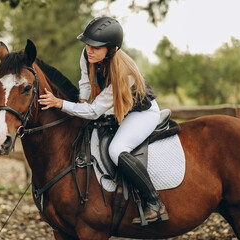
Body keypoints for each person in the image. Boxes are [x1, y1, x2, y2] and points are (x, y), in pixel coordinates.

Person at [38, 16, 168, 224]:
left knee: (117, 150)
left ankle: (154, 202)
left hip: (141, 112)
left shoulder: (123, 74)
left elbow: (93, 111)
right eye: (88, 44)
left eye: (96, 47)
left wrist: (59, 103)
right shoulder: (87, 55)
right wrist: (81, 100)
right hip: (117, 110)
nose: (90, 50)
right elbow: (85, 80)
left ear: (112, 49)